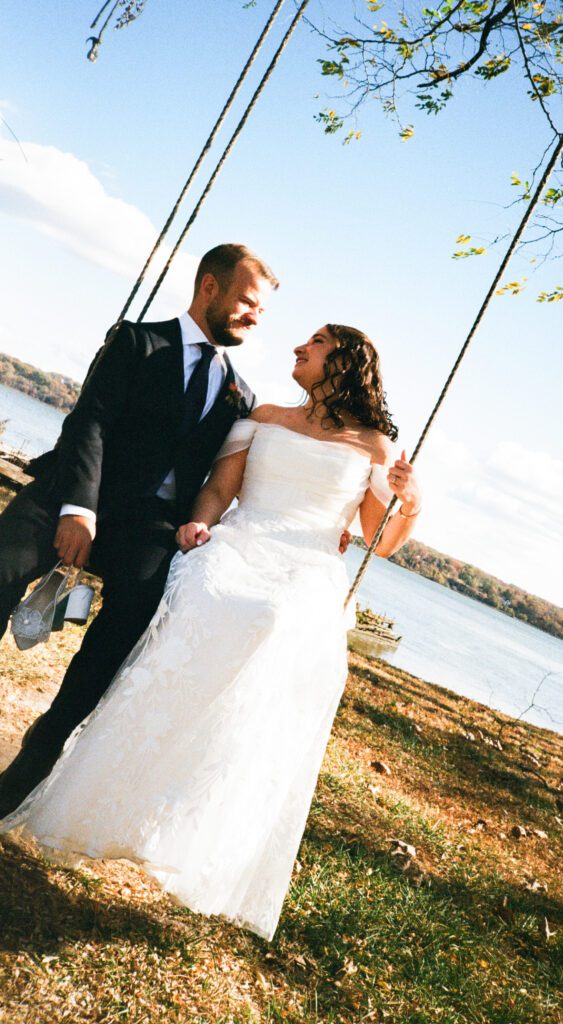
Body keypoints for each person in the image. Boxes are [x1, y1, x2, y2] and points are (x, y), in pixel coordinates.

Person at [0, 323, 422, 941]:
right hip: (242, 540)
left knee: (273, 619)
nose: (298, 348)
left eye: (315, 343)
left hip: (305, 561)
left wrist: (411, 503)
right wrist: (198, 525)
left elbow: (381, 541)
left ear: (346, 360)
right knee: (202, 587)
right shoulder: (263, 415)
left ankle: (195, 807)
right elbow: (220, 488)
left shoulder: (378, 449)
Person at [0, 243, 278, 819]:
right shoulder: (135, 341)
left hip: (148, 528)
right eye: (248, 302)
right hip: (71, 494)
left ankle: (35, 759)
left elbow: (227, 479)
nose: (255, 317)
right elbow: (89, 422)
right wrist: (80, 507)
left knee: (133, 621)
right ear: (209, 288)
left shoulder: (240, 395)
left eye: (262, 311)